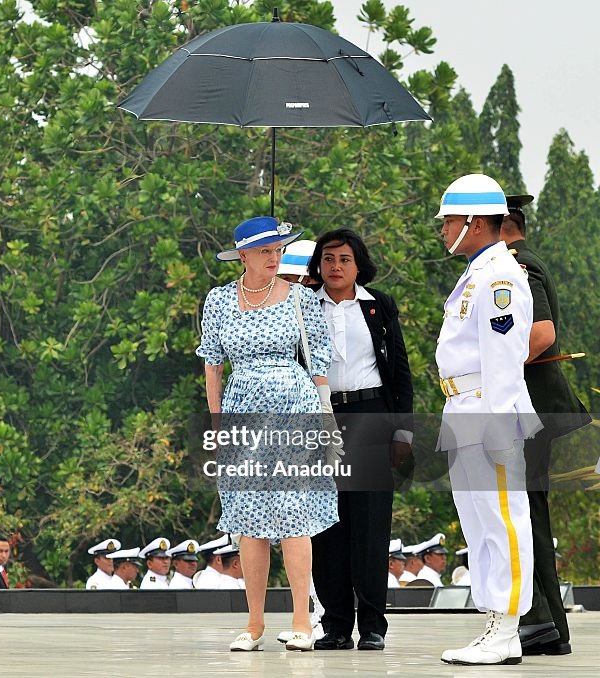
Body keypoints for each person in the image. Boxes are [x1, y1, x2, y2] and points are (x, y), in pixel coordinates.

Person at [197, 216, 339, 652]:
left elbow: (318, 363)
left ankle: (301, 619)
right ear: (243, 256)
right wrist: (218, 421)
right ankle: (254, 622)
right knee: (247, 518)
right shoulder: (220, 300)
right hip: (243, 408)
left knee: (294, 511)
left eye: (278, 250)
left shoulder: (299, 298)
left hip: (293, 404)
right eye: (265, 251)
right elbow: (212, 362)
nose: (274, 257)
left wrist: (326, 418)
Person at [435, 173, 542, 666]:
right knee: (479, 523)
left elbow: (502, 357)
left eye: (449, 220)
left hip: (487, 408)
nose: (443, 229)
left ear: (475, 223)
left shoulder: (499, 275)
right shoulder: (478, 272)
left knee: (503, 519)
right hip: (463, 407)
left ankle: (508, 627)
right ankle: (494, 624)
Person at [307, 228, 414, 652]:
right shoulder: (301, 307)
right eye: (329, 259)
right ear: (318, 264)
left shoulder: (379, 306)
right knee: (326, 525)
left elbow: (400, 372)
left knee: (370, 525)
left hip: (371, 416)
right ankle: (334, 624)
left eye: (345, 259)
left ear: (358, 264)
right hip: (320, 419)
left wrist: (402, 430)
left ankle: (372, 624)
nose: (336, 267)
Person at [501, 194, 590, 656]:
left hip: (526, 409)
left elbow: (541, 333)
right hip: (528, 409)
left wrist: (494, 372)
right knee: (527, 514)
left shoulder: (517, 266)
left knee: (521, 514)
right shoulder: (520, 261)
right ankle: (547, 626)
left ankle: (540, 623)